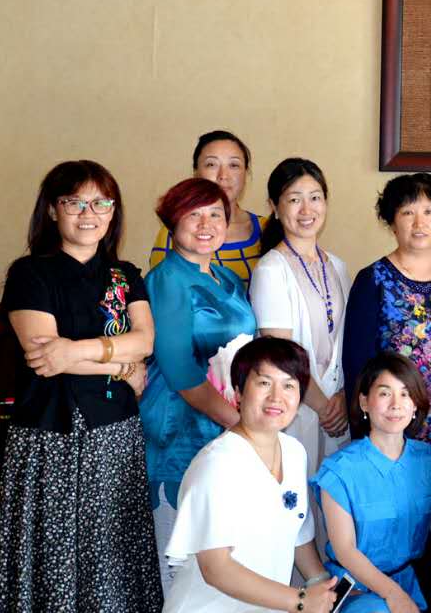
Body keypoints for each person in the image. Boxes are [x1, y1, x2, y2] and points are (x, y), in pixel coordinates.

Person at [0, 160, 163, 612]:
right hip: (50, 434)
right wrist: (121, 365)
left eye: (101, 203)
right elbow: (44, 357)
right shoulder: (30, 273)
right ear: (53, 210)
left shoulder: (125, 275)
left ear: (113, 211)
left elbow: (145, 341)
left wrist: (76, 351)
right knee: (54, 556)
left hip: (115, 433)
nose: (89, 213)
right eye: (75, 202)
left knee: (112, 550)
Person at [342, 173, 431, 613]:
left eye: (429, 212)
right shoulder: (373, 280)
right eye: (408, 212)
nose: (420, 222)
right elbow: (358, 367)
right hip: (392, 440)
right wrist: (365, 442)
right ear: (391, 220)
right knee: (393, 550)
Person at [140, 177, 258, 594]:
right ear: (173, 222)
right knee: (180, 566)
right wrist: (245, 427)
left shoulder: (229, 279)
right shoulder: (167, 279)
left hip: (226, 429)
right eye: (194, 215)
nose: (206, 225)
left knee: (225, 558)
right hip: (180, 429)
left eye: (216, 214)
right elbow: (181, 373)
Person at [162, 337, 337, 613]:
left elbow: (298, 532)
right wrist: (301, 601)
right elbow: (216, 568)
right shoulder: (217, 464)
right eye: (264, 383)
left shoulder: (294, 452)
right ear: (239, 393)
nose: (276, 397)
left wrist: (322, 585)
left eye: (289, 385)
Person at [312, 352, 431, 613]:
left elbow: (423, 521)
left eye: (405, 394)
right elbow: (345, 551)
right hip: (355, 588)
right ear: (364, 402)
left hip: (407, 584)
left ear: (415, 405)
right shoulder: (340, 469)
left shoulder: (429, 460)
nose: (396, 404)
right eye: (385, 393)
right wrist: (394, 596)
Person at [249, 157, 351, 477]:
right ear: (275, 207)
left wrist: (343, 399)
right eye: (294, 200)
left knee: (334, 499)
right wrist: (323, 407)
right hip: (295, 411)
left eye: (315, 198)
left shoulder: (338, 266)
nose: (307, 209)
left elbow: (347, 341)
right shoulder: (271, 269)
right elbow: (281, 354)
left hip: (339, 410)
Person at [149, 130, 266, 287]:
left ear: (246, 173)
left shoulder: (267, 227)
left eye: (234, 165)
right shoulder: (177, 231)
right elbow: (163, 288)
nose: (223, 175)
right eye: (211, 164)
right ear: (196, 172)